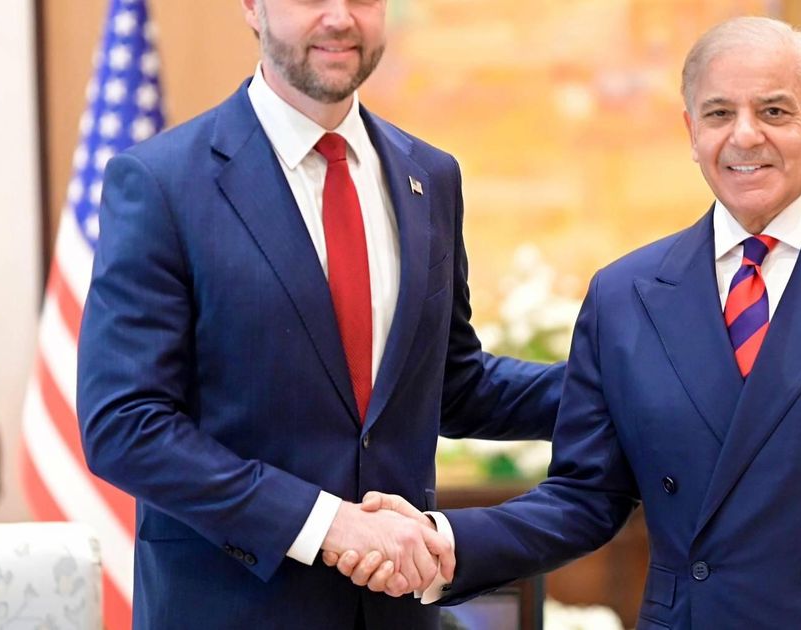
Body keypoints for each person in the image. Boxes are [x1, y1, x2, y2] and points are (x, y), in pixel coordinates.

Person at [339, 16, 801, 628]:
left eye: (774, 110)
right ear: (691, 132)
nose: (745, 135)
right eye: (719, 113)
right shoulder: (624, 296)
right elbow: (585, 497)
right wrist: (444, 541)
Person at [76, 0, 563, 628]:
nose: (339, 17)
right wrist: (326, 524)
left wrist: (624, 388)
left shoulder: (431, 176)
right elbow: (124, 424)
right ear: (252, 7)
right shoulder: (161, 182)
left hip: (396, 612)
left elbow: (453, 385)